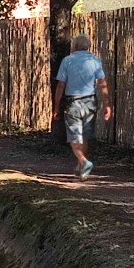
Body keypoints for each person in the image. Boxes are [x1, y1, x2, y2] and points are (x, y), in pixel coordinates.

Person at [52, 33, 112, 179]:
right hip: (90, 101)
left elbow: (61, 85)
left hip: (73, 101)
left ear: (75, 46)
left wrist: (56, 106)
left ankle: (84, 161)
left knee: (73, 135)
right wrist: (106, 104)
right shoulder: (95, 60)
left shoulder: (68, 61)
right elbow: (102, 83)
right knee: (85, 135)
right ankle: (81, 166)